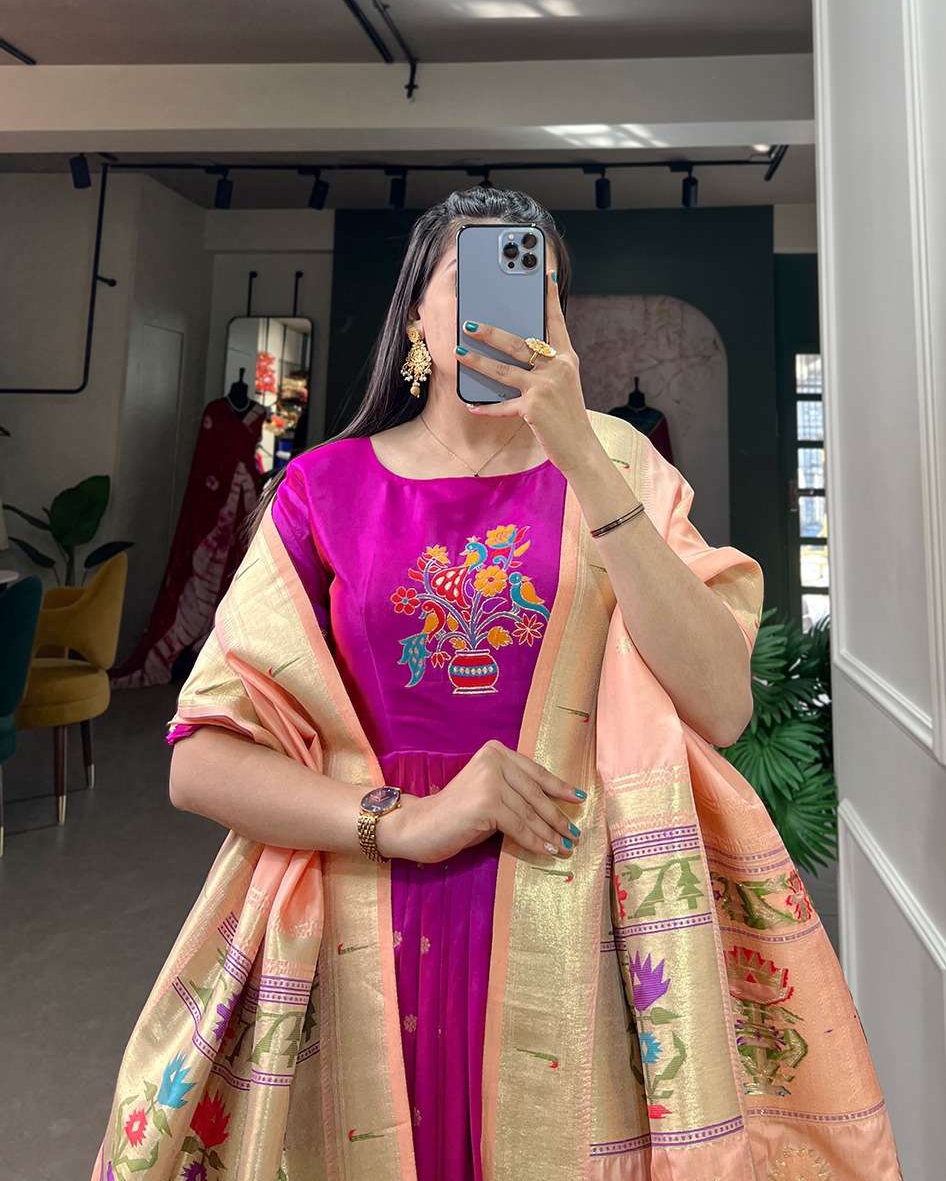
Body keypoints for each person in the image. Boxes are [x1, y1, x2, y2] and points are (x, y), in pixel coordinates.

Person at [91, 188, 901, 1181]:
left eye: (536, 285)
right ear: (415, 319)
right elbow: (201, 761)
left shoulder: (617, 463)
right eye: (468, 281)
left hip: (580, 920)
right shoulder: (323, 491)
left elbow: (720, 703)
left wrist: (579, 452)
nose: (503, 309)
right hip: (363, 917)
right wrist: (403, 820)